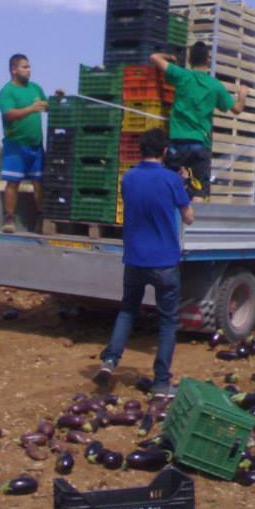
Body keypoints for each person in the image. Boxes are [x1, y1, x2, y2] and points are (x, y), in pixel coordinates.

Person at [95, 128, 194, 399]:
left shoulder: (128, 178)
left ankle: (110, 360)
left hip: (135, 260)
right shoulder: (171, 180)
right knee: (167, 322)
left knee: (128, 310)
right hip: (164, 262)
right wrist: (183, 185)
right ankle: (161, 382)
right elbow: (189, 217)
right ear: (164, 151)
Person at [150, 41, 247, 199]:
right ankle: (193, 221)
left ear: (189, 59)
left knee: (169, 189)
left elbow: (154, 57)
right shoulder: (215, 86)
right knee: (199, 191)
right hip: (199, 144)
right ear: (207, 60)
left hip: (176, 144)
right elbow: (237, 109)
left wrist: (170, 57)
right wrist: (242, 94)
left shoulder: (181, 75)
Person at [0, 54, 63, 233]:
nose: (29, 70)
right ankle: (9, 219)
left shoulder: (35, 88)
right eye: (25, 67)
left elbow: (47, 107)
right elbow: (9, 114)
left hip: (36, 146)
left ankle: (42, 217)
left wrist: (56, 99)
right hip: (15, 146)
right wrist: (30, 109)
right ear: (14, 70)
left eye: (29, 67)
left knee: (39, 181)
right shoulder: (7, 91)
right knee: (13, 182)